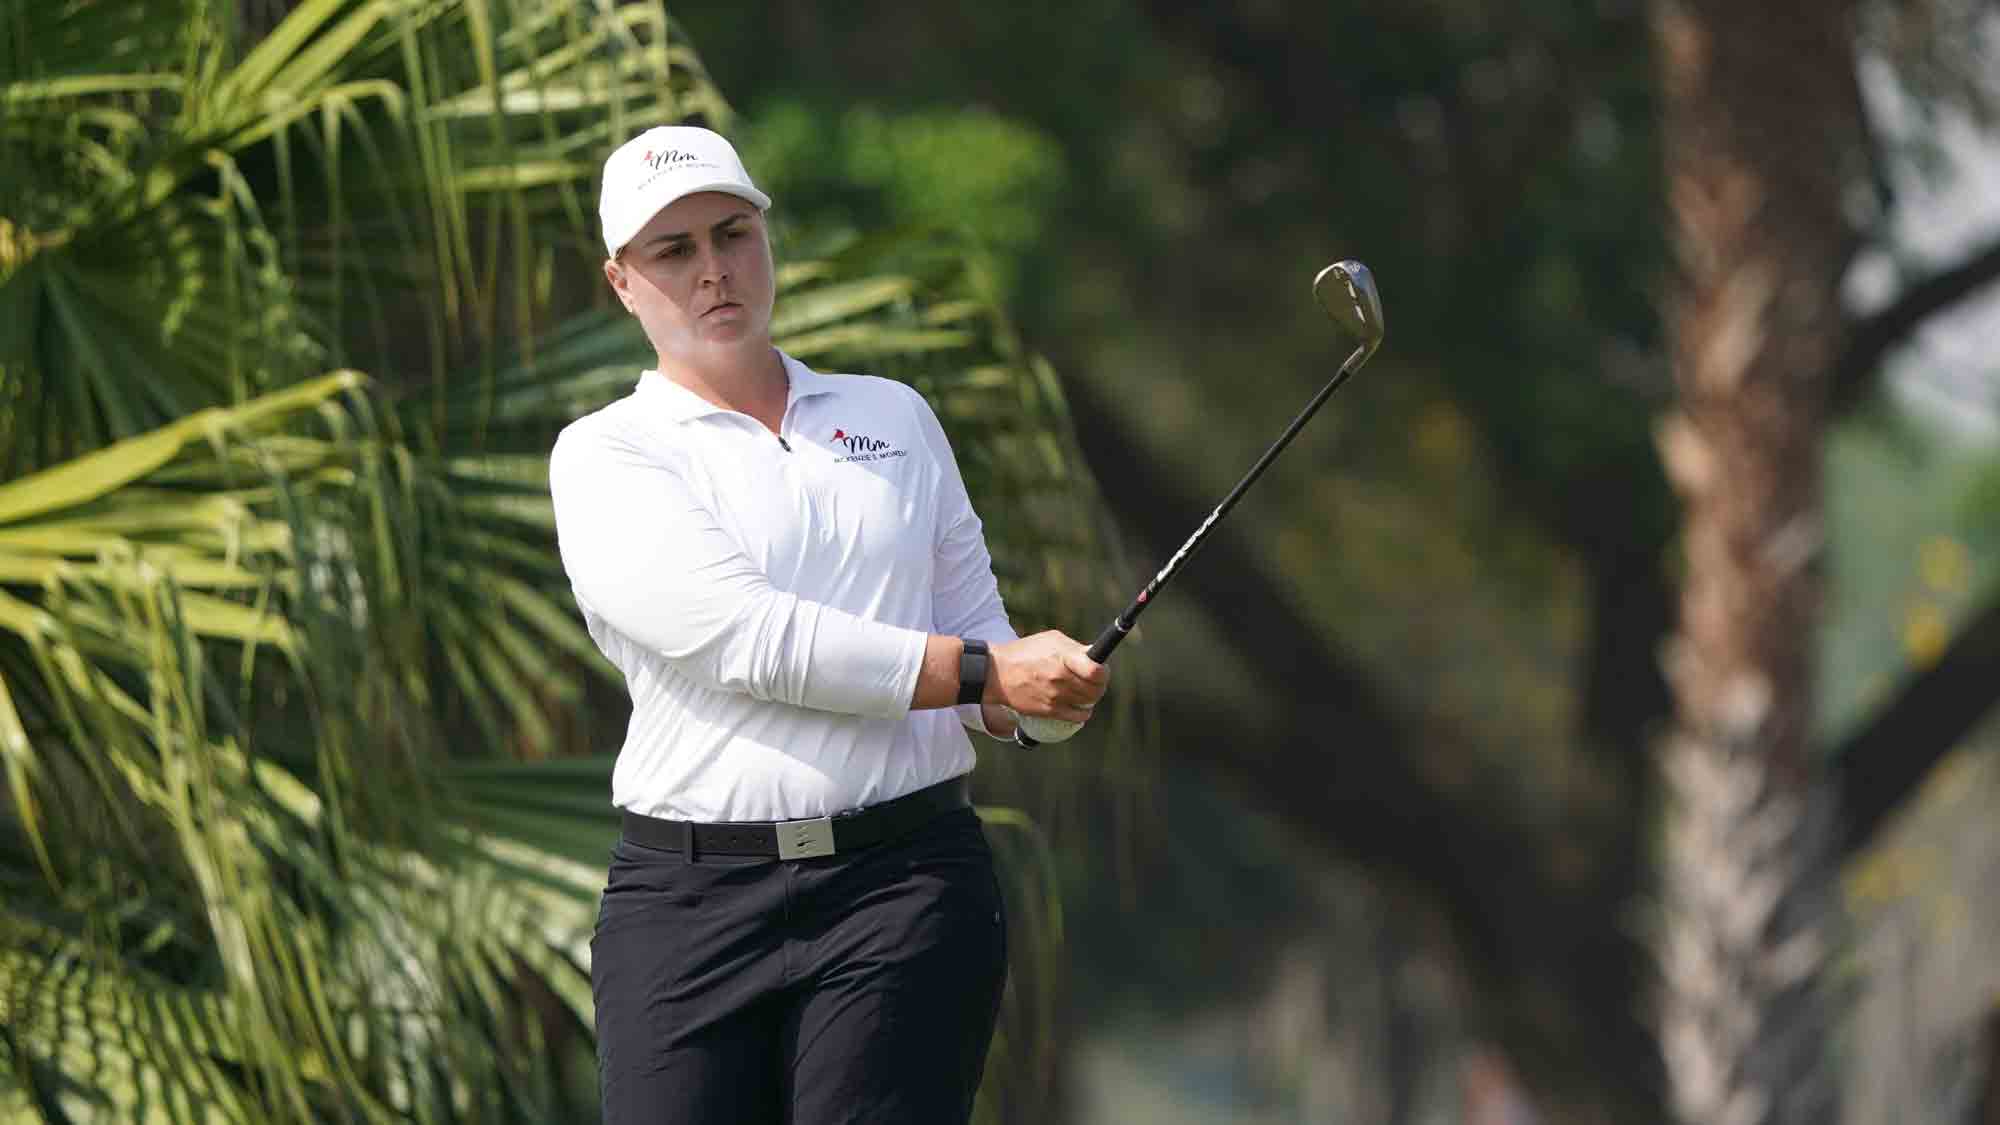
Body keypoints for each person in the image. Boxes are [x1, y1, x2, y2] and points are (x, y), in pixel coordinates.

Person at [548, 124, 1110, 1125]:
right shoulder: (605, 455)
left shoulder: (892, 418)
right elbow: (750, 640)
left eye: (732, 234)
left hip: (903, 885)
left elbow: (978, 645)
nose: (713, 270)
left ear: (766, 238)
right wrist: (988, 673)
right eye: (673, 251)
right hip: (690, 905)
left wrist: (1039, 699)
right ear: (622, 282)